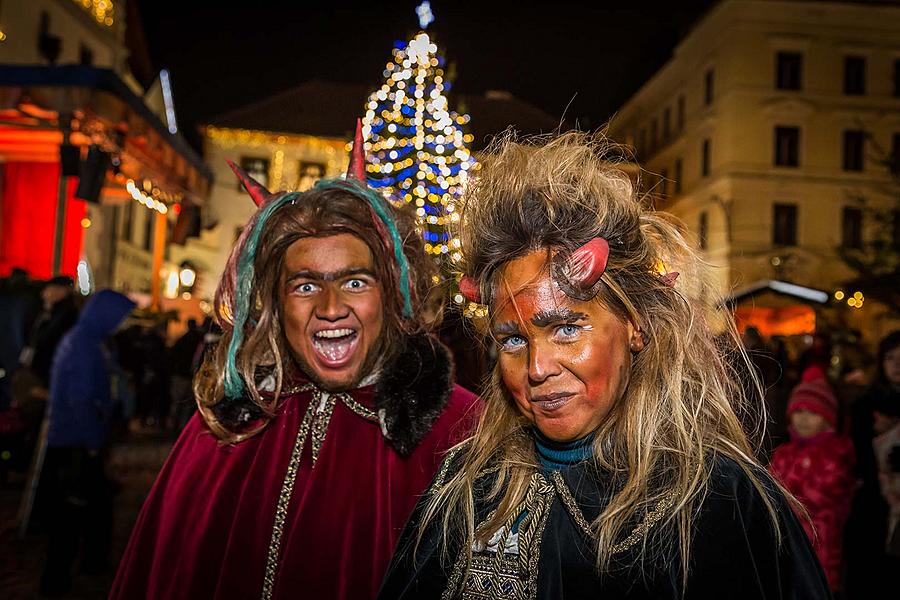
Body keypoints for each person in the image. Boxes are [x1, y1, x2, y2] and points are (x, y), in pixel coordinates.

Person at [379, 133, 830, 599]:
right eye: (513, 339)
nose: (537, 368)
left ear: (635, 324)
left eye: (567, 329)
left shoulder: (718, 500)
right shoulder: (468, 484)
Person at [110, 123, 479, 600]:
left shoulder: (458, 432)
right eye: (305, 285)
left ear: (391, 296)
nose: (329, 307)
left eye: (354, 282)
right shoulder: (225, 427)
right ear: (274, 305)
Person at [40, 289, 135, 596]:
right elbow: (80, 399)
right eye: (119, 317)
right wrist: (93, 441)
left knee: (87, 509)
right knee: (69, 517)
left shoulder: (90, 341)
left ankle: (86, 565)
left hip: (75, 439)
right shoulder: (83, 345)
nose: (122, 323)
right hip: (75, 442)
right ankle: (57, 581)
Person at [768, 379, 856, 592]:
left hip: (820, 545)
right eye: (798, 411)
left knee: (813, 588)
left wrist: (786, 495)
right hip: (785, 541)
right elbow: (770, 487)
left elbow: (821, 495)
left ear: (828, 419)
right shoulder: (784, 452)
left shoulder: (837, 453)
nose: (804, 418)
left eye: (813, 412)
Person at [845, 330, 900, 595]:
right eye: (890, 358)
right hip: (873, 502)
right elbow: (854, 453)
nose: (897, 365)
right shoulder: (866, 405)